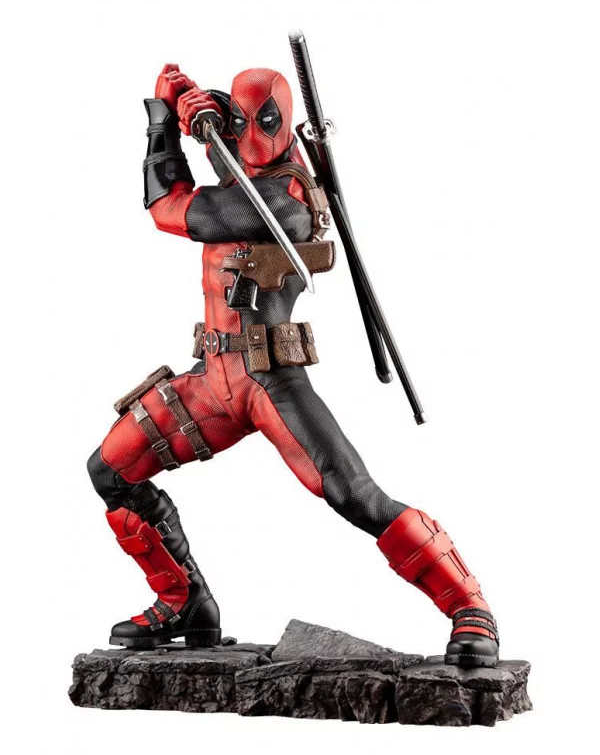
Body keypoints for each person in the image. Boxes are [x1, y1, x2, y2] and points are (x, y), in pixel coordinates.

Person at [87, 64, 499, 667]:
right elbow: (227, 151)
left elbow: (170, 208)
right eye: (242, 121)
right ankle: (184, 603)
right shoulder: (246, 169)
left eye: (263, 122)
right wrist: (196, 108)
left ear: (284, 126)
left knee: (354, 494)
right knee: (110, 471)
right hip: (210, 382)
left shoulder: (286, 200)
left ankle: (470, 607)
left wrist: (162, 122)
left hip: (269, 383)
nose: (249, 136)